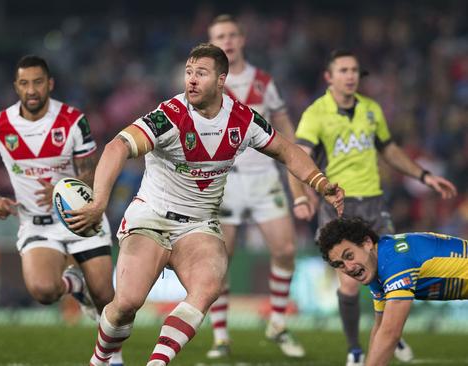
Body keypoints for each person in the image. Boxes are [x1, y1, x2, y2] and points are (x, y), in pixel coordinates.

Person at [66, 43, 344, 366]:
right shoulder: (169, 116)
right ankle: (100, 360)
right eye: (188, 73)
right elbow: (117, 147)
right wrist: (100, 200)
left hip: (199, 225)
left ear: (221, 80)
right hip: (152, 217)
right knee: (127, 303)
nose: (192, 80)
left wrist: (320, 183)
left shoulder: (241, 120)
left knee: (208, 285)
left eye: (201, 73)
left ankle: (157, 363)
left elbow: (287, 150)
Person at [294, 49, 458, 365]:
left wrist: (423, 175)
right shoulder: (316, 113)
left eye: (355, 70)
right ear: (329, 77)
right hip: (338, 202)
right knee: (350, 277)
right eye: (343, 70)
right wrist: (303, 195)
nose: (351, 75)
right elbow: (298, 158)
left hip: (373, 200)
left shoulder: (371, 110)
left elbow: (390, 150)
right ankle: (355, 350)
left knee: (389, 266)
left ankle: (388, 332)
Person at [0, 56, 123, 365]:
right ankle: (74, 284)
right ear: (16, 87)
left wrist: (62, 188)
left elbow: (90, 172)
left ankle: (112, 357)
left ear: (49, 84)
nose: (31, 89)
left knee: (106, 296)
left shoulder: (72, 120)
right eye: (24, 83)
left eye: (38, 82)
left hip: (81, 216)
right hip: (37, 223)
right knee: (43, 290)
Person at [206, 14, 313, 359]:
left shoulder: (263, 82)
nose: (228, 40)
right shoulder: (206, 83)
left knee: (284, 250)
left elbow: (286, 131)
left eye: (232, 34)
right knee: (220, 262)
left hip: (264, 177)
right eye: (220, 35)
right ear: (212, 42)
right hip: (224, 182)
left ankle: (278, 324)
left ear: (242, 39)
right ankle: (221, 337)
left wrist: (300, 180)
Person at [318, 217, 468, 366]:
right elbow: (380, 327)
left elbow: (390, 333)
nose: (349, 267)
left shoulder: (394, 261)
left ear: (367, 243)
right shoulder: (378, 266)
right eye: (340, 264)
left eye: (349, 256)